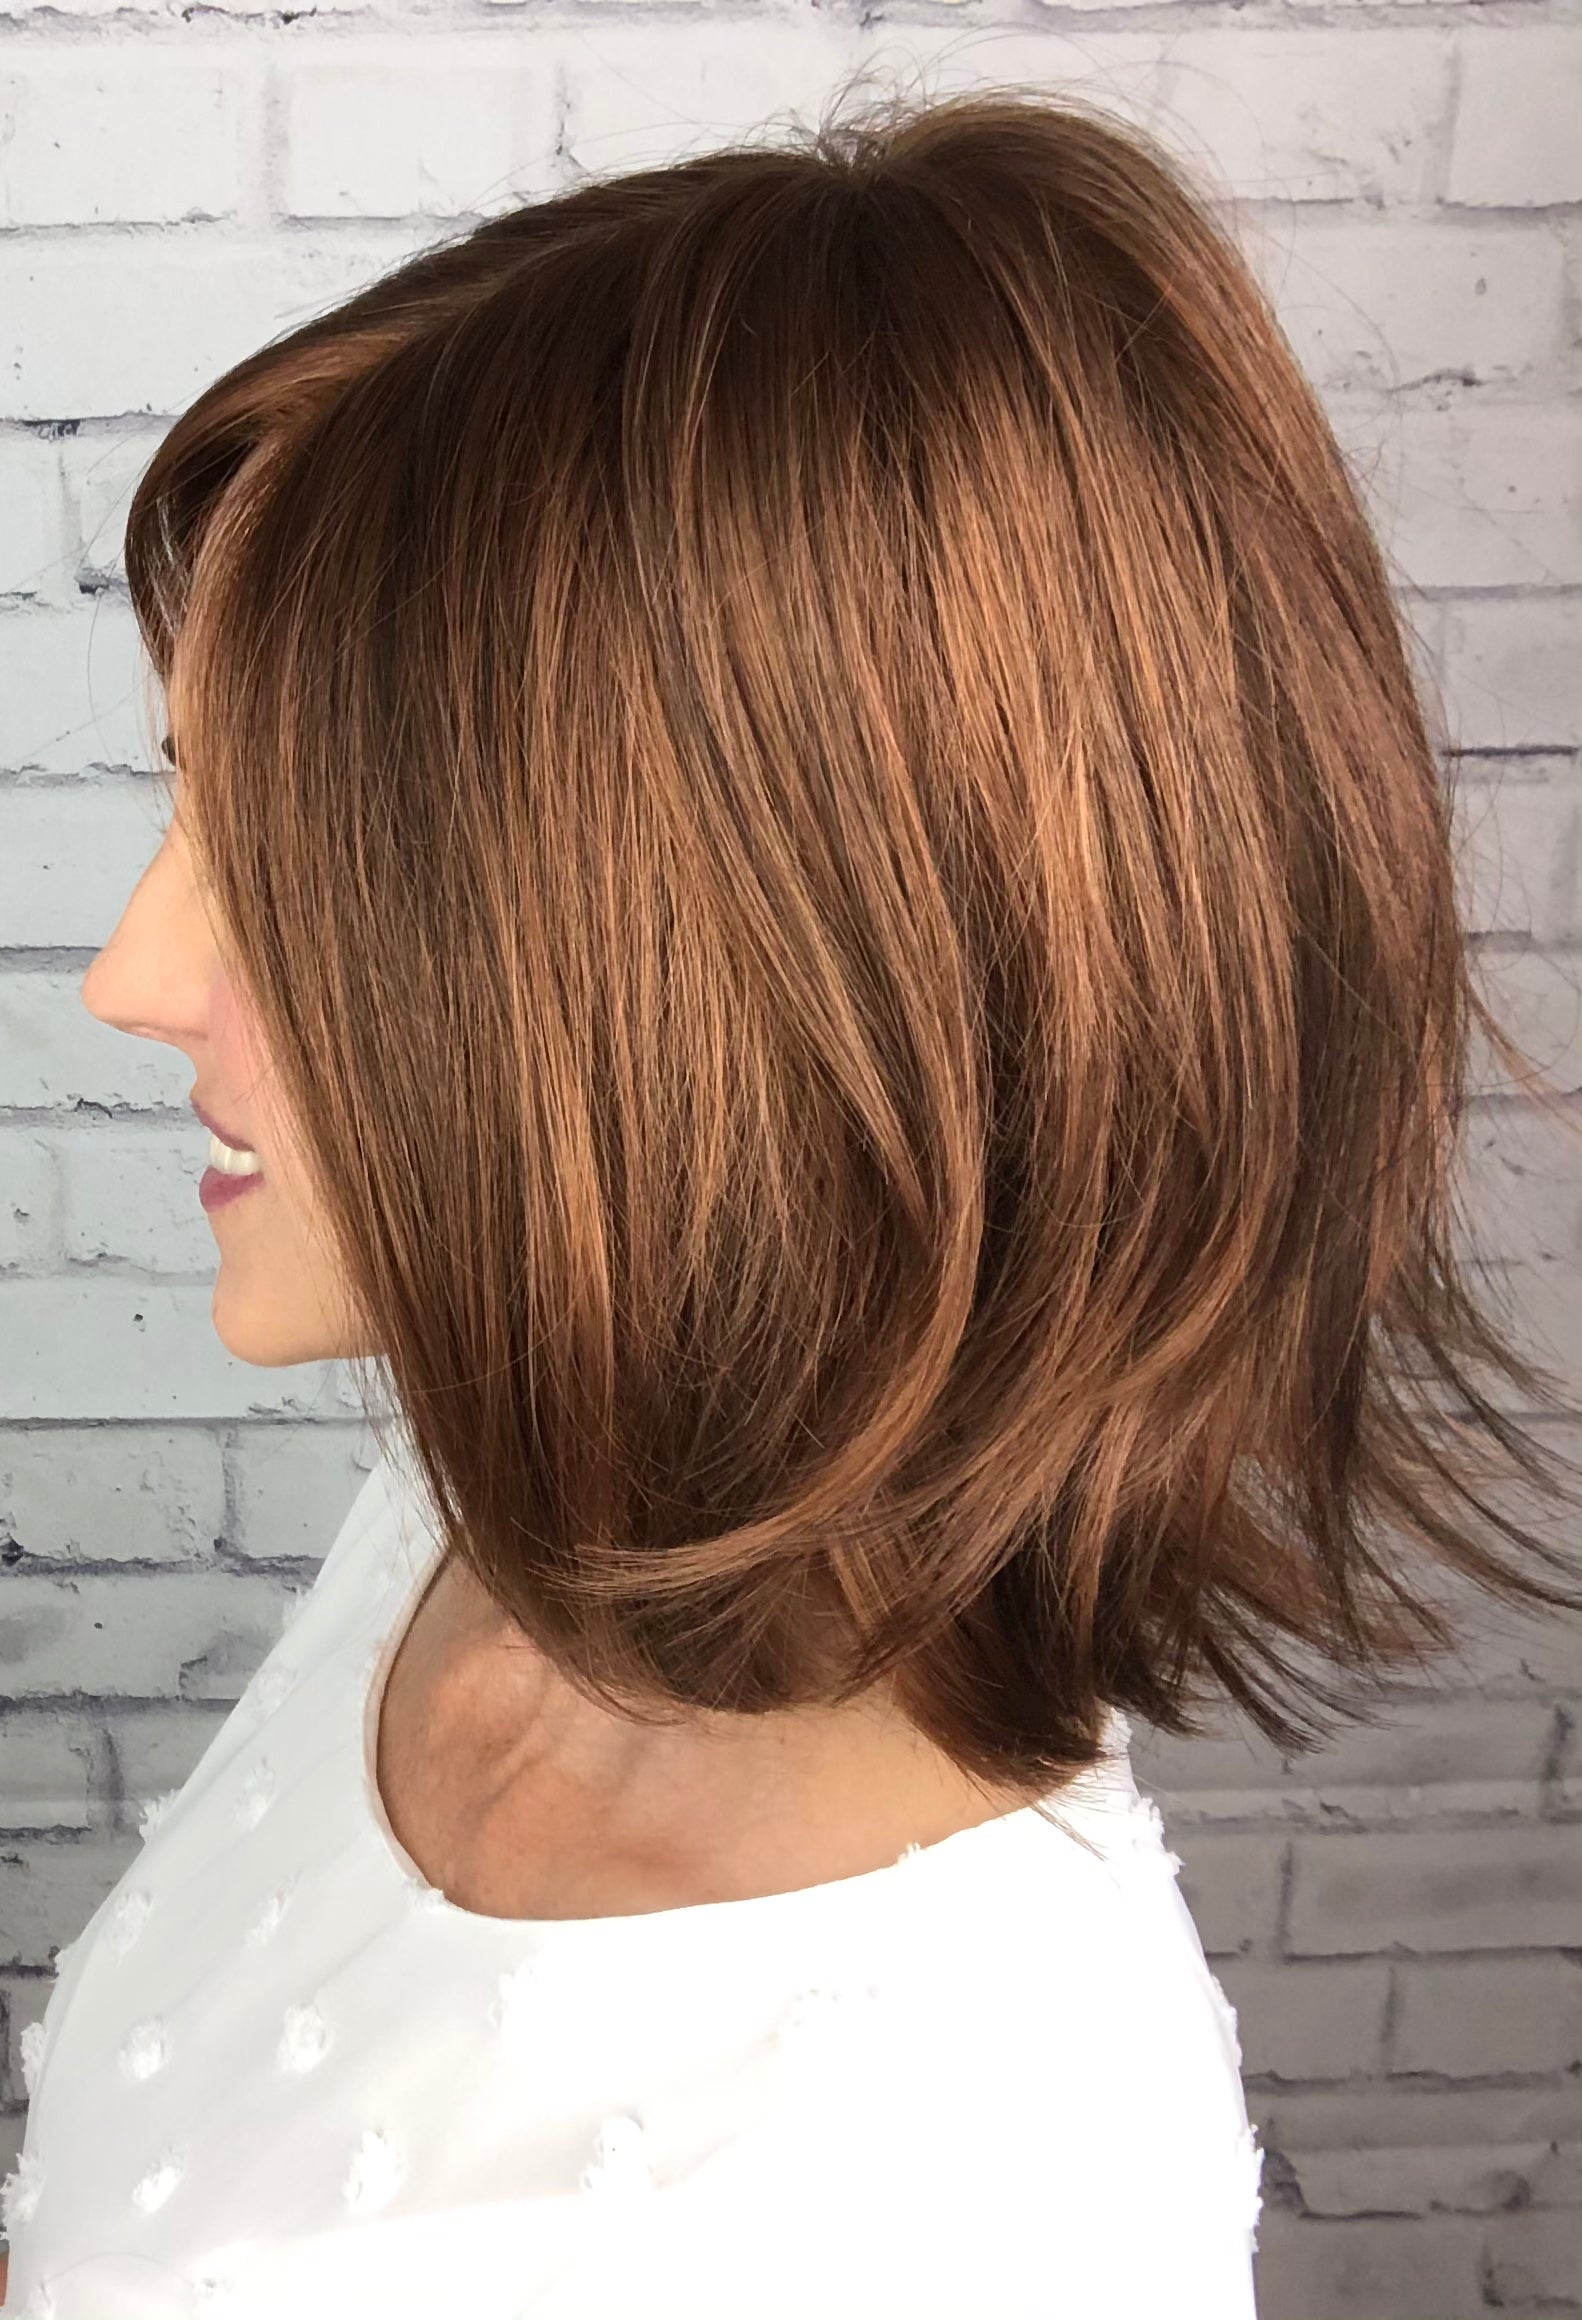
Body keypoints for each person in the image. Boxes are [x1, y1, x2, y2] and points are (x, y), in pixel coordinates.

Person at [4, 77, 1578, 2320]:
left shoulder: (945, 2219)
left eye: (297, 867)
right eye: (190, 806)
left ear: (735, 992)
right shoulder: (514, 1506)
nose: (131, 973)